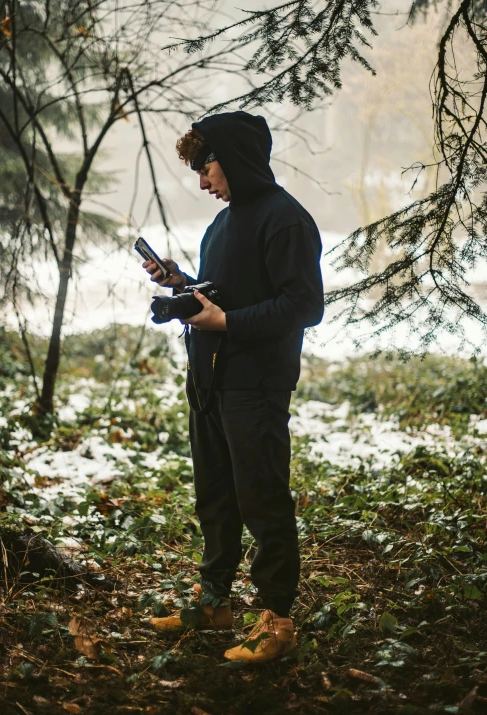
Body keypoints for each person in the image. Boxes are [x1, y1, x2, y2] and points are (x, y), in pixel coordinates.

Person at [142, 111, 324, 662]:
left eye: (206, 166)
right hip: (209, 381)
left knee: (262, 499)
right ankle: (215, 601)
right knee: (216, 498)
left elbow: (304, 305)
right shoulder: (221, 224)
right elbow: (227, 290)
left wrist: (228, 325)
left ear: (236, 158)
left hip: (256, 385)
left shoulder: (285, 219)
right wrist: (181, 285)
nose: (202, 181)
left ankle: (278, 620)